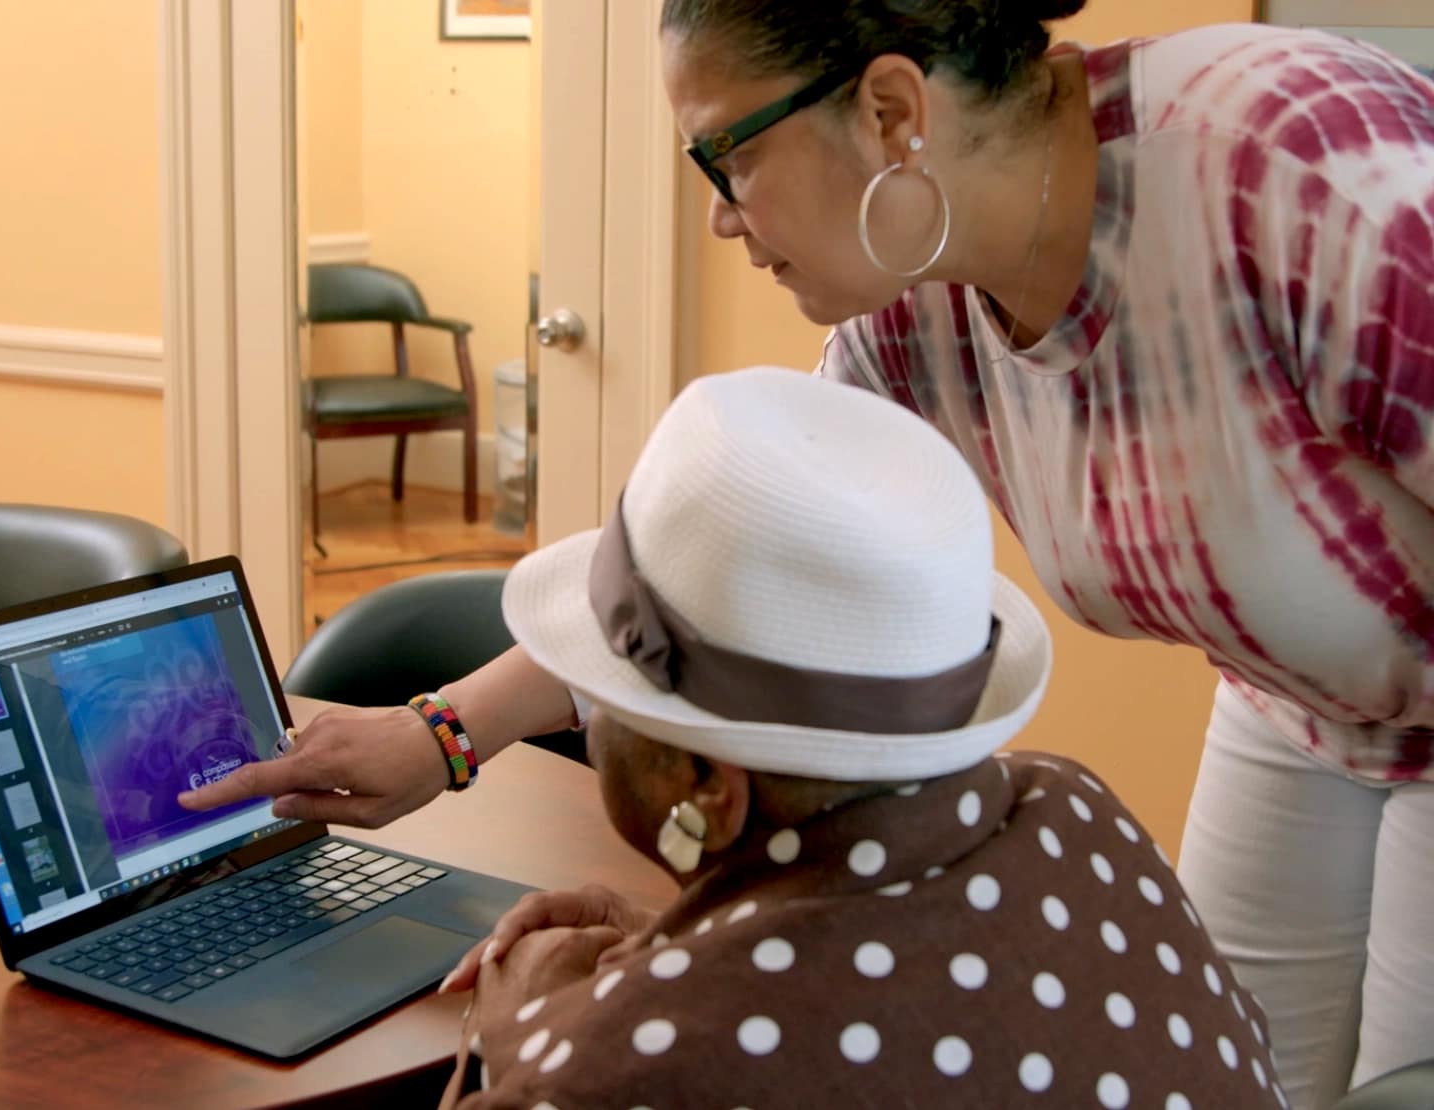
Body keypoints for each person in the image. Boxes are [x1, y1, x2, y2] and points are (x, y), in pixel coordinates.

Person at [181, 3, 1434, 1104]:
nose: (719, 218)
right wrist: (445, 734)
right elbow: (708, 572)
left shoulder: (1307, 181)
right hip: (1294, 706)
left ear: (891, 109)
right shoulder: (918, 297)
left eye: (723, 154)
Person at [430, 367, 1281, 1107]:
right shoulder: (1075, 810)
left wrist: (521, 1034)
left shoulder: (615, 1076)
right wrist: (677, 939)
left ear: (706, 790)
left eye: (604, 695)